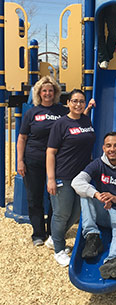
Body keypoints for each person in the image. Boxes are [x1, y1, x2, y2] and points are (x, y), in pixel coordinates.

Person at [71, 132, 116, 279]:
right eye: (109, 146)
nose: (112, 149)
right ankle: (92, 236)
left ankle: (112, 261)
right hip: (102, 211)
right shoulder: (98, 164)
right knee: (85, 194)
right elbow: (76, 182)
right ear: (103, 148)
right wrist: (98, 195)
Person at [17, 76, 69, 246]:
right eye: (44, 90)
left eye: (50, 90)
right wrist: (20, 161)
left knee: (55, 197)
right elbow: (22, 138)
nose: (47, 93)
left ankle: (53, 232)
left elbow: (77, 121)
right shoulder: (32, 112)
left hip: (57, 162)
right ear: (39, 93)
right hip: (33, 160)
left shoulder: (62, 111)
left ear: (55, 93)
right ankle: (38, 233)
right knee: (34, 197)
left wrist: (89, 107)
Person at [46, 89, 96, 267]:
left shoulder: (85, 119)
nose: (78, 104)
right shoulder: (60, 124)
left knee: (76, 213)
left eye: (81, 101)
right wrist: (51, 179)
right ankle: (59, 250)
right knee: (61, 214)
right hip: (63, 175)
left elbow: (82, 133)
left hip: (81, 177)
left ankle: (54, 239)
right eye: (74, 101)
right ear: (68, 103)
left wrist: (89, 108)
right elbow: (51, 152)